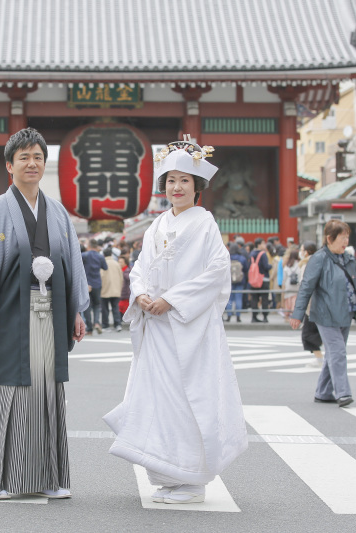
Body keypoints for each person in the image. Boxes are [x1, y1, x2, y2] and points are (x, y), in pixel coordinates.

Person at [104, 139, 247, 505]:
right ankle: (168, 473)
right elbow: (139, 268)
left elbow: (217, 271)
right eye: (171, 180)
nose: (177, 187)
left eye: (185, 180)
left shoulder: (205, 224)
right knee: (158, 398)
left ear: (197, 188)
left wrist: (173, 299)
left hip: (189, 327)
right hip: (157, 326)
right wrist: (140, 295)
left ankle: (192, 480)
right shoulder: (156, 226)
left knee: (188, 398)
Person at [0, 127, 88, 500]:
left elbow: (71, 264)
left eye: (38, 157)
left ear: (45, 164)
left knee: (46, 392)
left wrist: (76, 310)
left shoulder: (57, 213)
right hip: (11, 315)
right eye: (23, 157)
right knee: (6, 390)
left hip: (50, 314)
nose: (32, 163)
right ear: (9, 165)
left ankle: (48, 478)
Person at [290, 220, 356, 407]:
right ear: (330, 239)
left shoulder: (349, 259)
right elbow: (306, 287)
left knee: (334, 353)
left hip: (346, 313)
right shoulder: (319, 259)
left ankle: (323, 392)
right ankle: (343, 393)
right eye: (342, 237)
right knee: (338, 352)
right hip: (325, 315)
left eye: (347, 236)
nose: (346, 240)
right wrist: (297, 314)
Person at [297, 241, 323, 368]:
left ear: (306, 252)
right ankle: (322, 358)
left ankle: (320, 359)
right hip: (320, 304)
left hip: (311, 305)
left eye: (302, 249)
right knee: (320, 332)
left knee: (308, 334)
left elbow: (305, 287)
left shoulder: (306, 264)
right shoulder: (319, 261)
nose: (300, 252)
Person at [81, 239, 108, 334]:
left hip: (86, 284)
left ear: (89, 246)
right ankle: (96, 322)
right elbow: (105, 267)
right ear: (96, 246)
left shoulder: (84, 255)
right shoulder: (100, 256)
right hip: (97, 283)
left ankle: (89, 328)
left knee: (87, 306)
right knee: (97, 305)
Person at [100, 248, 123, 332]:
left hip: (105, 289)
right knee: (115, 307)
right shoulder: (116, 263)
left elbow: (101, 276)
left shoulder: (103, 263)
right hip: (116, 289)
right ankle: (118, 324)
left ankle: (105, 325)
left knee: (105, 308)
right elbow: (121, 277)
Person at [249, 238, 271, 322]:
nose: (264, 245)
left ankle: (254, 317)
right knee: (264, 298)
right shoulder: (263, 254)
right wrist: (270, 266)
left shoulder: (251, 254)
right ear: (259, 244)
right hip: (263, 279)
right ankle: (265, 317)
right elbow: (266, 266)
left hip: (253, 280)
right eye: (263, 243)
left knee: (254, 298)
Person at [226, 242, 247, 322]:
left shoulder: (228, 257)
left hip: (229, 281)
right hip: (240, 281)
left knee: (229, 299)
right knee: (238, 298)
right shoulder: (242, 258)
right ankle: (238, 317)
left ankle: (228, 316)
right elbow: (246, 269)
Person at [281, 244, 301, 319]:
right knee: (295, 301)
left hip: (288, 286)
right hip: (296, 286)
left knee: (288, 301)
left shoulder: (287, 265)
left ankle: (287, 316)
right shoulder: (299, 264)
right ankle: (294, 316)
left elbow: (284, 277)